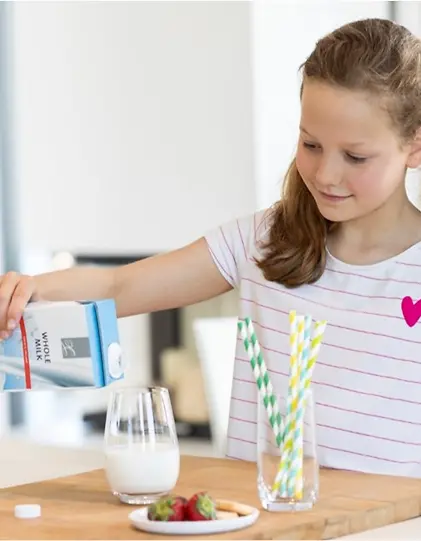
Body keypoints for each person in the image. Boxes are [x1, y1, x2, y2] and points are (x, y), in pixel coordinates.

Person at [1, 17, 421, 478]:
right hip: (257, 520)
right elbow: (118, 284)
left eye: (355, 157)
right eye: (310, 144)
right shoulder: (263, 241)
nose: (324, 174)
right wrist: (26, 290)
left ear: (414, 145)